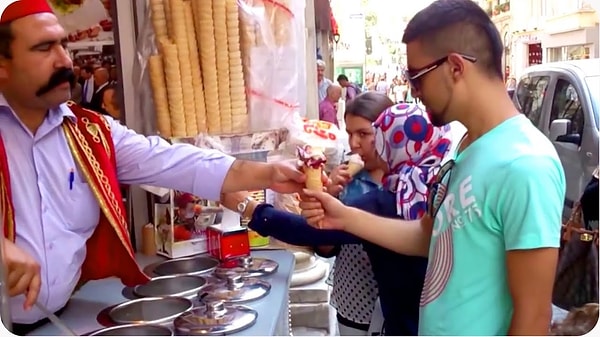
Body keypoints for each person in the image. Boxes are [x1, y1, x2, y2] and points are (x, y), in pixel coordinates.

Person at [0, 1, 307, 333]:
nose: (64, 60)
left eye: (63, 43)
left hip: (63, 317)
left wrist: (268, 174)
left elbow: (176, 162)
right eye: (44, 48)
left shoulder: (89, 133)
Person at [299, 0, 566, 335]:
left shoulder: (526, 164)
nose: (413, 90)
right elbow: (431, 235)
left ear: (455, 66)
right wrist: (344, 216)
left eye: (417, 76)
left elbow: (533, 316)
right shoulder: (465, 146)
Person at [223, 100, 452, 336]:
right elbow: (325, 244)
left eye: (373, 137)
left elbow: (307, 230)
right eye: (350, 133)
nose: (356, 144)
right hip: (422, 318)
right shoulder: (440, 186)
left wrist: (247, 206)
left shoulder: (389, 200)